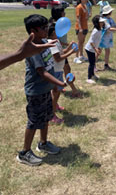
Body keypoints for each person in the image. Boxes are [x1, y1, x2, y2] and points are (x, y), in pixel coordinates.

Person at [16, 14, 73, 166]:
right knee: (34, 121)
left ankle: (43, 143)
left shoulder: (45, 43)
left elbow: (51, 65)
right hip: (36, 91)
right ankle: (24, 153)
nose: (47, 29)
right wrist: (59, 82)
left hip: (46, 89)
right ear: (33, 31)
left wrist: (54, 84)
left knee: (46, 117)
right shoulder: (33, 50)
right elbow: (42, 72)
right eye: (43, 28)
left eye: (47, 26)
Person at [48, 23, 76, 123]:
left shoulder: (56, 42)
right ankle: (52, 114)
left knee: (57, 91)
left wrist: (68, 47)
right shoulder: (52, 43)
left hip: (58, 70)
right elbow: (58, 58)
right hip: (55, 71)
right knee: (56, 91)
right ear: (53, 33)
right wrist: (71, 52)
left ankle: (54, 105)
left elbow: (61, 52)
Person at [51, 5, 81, 98]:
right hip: (58, 51)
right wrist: (67, 45)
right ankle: (74, 90)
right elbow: (56, 40)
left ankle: (60, 85)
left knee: (64, 69)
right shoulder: (55, 26)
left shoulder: (61, 23)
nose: (65, 13)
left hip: (61, 49)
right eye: (63, 12)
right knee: (66, 69)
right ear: (59, 13)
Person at [99, 5, 116, 70]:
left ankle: (106, 65)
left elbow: (114, 25)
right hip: (102, 38)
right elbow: (109, 29)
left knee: (107, 50)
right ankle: (93, 66)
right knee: (98, 51)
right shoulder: (104, 20)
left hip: (108, 38)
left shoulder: (110, 19)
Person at [85, 15, 105, 84]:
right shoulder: (95, 31)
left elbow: (97, 41)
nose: (102, 23)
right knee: (92, 63)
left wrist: (98, 47)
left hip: (93, 49)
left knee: (93, 63)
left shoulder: (99, 30)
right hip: (89, 49)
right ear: (97, 23)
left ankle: (93, 75)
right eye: (101, 22)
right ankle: (89, 78)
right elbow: (91, 42)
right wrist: (95, 49)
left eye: (103, 22)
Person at [74, 0, 89, 64]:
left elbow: (85, 16)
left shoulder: (85, 6)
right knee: (79, 42)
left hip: (85, 26)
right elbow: (78, 18)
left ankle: (81, 55)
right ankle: (76, 57)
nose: (86, 0)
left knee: (82, 42)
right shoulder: (79, 7)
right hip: (80, 28)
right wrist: (80, 28)